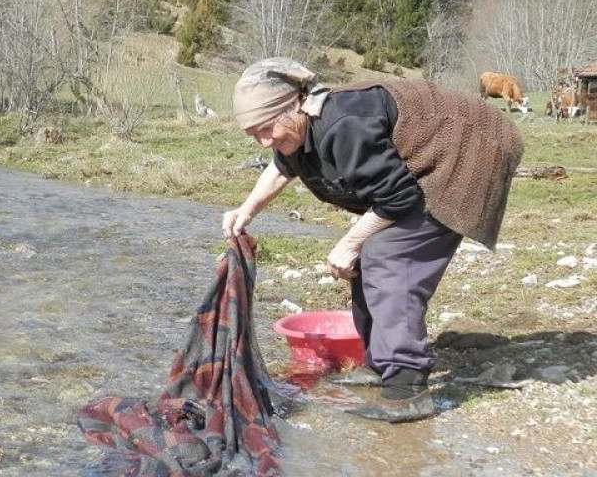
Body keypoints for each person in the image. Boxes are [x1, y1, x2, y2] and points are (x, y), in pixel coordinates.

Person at [223, 58, 523, 423]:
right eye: (253, 134)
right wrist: (246, 211)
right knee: (370, 250)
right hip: (417, 172)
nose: (264, 140)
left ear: (294, 105)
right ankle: (379, 364)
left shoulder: (343, 125)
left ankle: (407, 387)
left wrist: (349, 243)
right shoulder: (299, 127)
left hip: (468, 152)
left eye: (267, 129)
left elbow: (398, 198)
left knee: (386, 255)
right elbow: (283, 166)